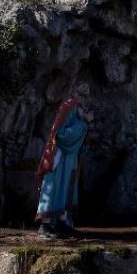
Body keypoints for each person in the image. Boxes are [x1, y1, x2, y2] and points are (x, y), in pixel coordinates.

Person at [35, 83, 94, 238]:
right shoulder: (68, 106)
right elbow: (61, 134)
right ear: (75, 93)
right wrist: (84, 124)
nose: (84, 99)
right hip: (58, 154)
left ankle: (62, 222)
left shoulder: (77, 107)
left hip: (69, 155)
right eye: (82, 95)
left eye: (86, 95)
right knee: (53, 185)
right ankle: (45, 224)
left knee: (67, 186)